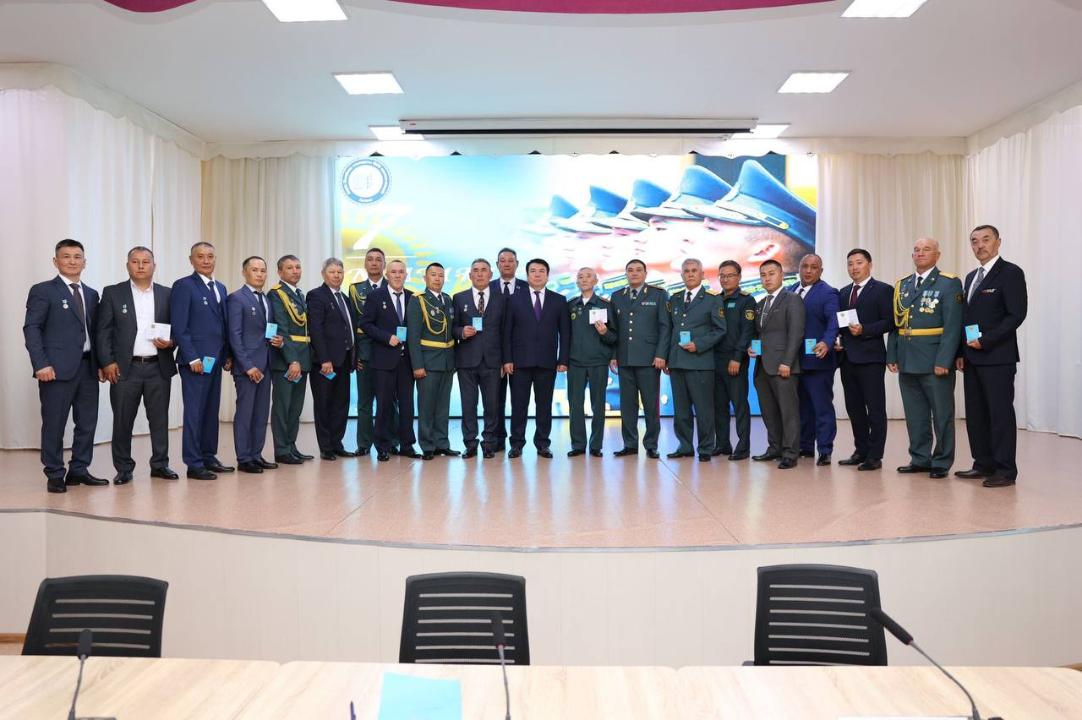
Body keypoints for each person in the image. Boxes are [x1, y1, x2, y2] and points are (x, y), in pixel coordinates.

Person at [23, 239, 107, 493]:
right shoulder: (43, 290)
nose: (72, 261)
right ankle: (55, 473)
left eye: (77, 256)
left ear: (85, 262)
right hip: (55, 370)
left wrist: (101, 363)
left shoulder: (91, 294)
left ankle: (79, 469)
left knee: (87, 423)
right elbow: (32, 328)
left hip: (88, 368)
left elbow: (95, 332)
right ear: (55, 261)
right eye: (66, 256)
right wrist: (41, 364)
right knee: (54, 423)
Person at [96, 246, 177, 484]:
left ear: (154, 265)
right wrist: (107, 361)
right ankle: (123, 468)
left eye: (145, 261)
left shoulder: (167, 294)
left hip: (158, 366)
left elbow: (179, 327)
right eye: (135, 261)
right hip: (124, 368)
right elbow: (103, 331)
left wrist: (172, 342)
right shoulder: (113, 293)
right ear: (127, 265)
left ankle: (160, 465)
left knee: (159, 420)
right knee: (122, 420)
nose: (141, 266)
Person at [956, 225, 1028, 488]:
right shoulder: (970, 277)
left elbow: (1016, 315)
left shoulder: (1010, 273)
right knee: (976, 414)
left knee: (999, 414)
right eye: (974, 241)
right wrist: (961, 351)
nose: (980, 245)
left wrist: (986, 341)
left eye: (986, 240)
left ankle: (1005, 470)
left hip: (997, 356)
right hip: (972, 358)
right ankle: (983, 463)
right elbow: (966, 318)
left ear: (998, 242)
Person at [886, 237, 964, 479]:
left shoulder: (948, 283)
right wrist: (892, 354)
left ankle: (941, 460)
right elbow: (896, 324)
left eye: (926, 249)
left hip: (934, 360)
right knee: (915, 415)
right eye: (916, 250)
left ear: (937, 255)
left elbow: (953, 326)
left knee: (942, 414)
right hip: (907, 358)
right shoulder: (902, 285)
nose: (920, 253)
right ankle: (920, 458)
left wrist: (944, 360)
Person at [171, 242, 234, 480]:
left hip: (216, 359)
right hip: (195, 361)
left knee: (210, 410)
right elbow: (180, 326)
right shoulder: (184, 286)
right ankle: (194, 463)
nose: (206, 261)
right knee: (195, 413)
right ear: (191, 260)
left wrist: (227, 355)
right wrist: (192, 357)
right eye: (200, 256)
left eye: (210, 256)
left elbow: (222, 325)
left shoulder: (221, 287)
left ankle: (209, 456)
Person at [502, 258, 570, 458]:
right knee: (518, 406)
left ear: (547, 275)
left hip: (547, 362)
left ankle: (542, 443)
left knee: (544, 406)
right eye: (533, 271)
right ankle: (516, 444)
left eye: (541, 271)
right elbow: (506, 332)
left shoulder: (559, 300)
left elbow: (565, 333)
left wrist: (563, 359)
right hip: (519, 363)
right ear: (527, 275)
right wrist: (507, 359)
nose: (537, 274)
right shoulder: (513, 299)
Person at [835, 249, 893, 471]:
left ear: (870, 264)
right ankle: (860, 450)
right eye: (850, 263)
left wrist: (865, 330)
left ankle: (875, 455)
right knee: (854, 408)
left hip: (871, 358)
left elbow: (890, 322)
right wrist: (838, 341)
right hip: (847, 358)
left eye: (859, 262)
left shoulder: (883, 290)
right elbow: (841, 324)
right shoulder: (843, 292)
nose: (854, 267)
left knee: (875, 409)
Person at [360, 259, 421, 461]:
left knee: (407, 405)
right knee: (384, 405)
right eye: (393, 272)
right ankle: (383, 446)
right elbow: (365, 324)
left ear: (406, 275)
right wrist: (386, 337)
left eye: (401, 272)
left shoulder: (413, 297)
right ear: (387, 275)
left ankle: (407, 445)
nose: (397, 275)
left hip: (407, 361)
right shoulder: (375, 296)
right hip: (383, 360)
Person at [609, 259, 671, 458]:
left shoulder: (658, 294)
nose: (634, 273)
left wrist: (661, 354)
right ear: (626, 274)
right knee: (627, 405)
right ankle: (630, 444)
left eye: (638, 270)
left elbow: (665, 327)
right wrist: (613, 356)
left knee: (650, 405)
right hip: (624, 358)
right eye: (630, 270)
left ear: (645, 274)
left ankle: (651, 444)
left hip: (649, 359)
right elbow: (614, 329)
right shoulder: (617, 296)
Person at [226, 256, 283, 474]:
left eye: (262, 270)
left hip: (266, 363)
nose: (259, 274)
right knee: (245, 413)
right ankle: (244, 458)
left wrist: (278, 340)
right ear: (244, 272)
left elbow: (267, 330)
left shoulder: (267, 299)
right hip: (248, 367)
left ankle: (256, 454)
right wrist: (247, 365)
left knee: (260, 413)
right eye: (254, 270)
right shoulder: (236, 298)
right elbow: (234, 335)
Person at [666, 258, 726, 461]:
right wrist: (667, 358)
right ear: (681, 275)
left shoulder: (712, 298)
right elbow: (670, 330)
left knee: (703, 409)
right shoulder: (674, 299)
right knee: (681, 410)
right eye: (686, 271)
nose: (690, 274)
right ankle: (684, 446)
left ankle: (706, 448)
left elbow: (720, 330)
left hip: (700, 362)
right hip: (677, 362)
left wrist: (699, 344)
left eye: (694, 270)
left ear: (702, 274)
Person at [750, 259, 804, 469]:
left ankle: (790, 453)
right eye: (763, 275)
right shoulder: (760, 304)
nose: (767, 278)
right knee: (769, 411)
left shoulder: (792, 299)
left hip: (783, 366)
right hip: (762, 366)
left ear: (781, 275)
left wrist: (787, 362)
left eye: (771, 273)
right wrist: (752, 347)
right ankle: (774, 448)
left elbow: (796, 334)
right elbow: (760, 334)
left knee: (788, 412)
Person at [453, 259, 507, 459]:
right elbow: (452, 327)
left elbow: (506, 332)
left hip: (493, 361)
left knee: (491, 405)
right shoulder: (459, 298)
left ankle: (489, 443)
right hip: (466, 360)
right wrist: (461, 331)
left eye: (484, 270)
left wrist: (505, 360)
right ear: (470, 275)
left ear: (491, 274)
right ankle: (470, 443)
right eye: (475, 270)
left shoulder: (502, 299)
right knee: (468, 405)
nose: (480, 274)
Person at [306, 258, 357, 461]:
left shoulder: (345, 298)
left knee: (341, 404)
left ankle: (337, 443)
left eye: (339, 272)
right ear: (323, 274)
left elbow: (350, 329)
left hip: (344, 361)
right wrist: (324, 358)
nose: (336, 275)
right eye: (332, 272)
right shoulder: (316, 296)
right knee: (324, 404)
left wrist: (354, 356)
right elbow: (316, 330)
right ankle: (326, 447)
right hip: (325, 363)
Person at [408, 262, 459, 460]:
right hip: (428, 362)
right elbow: (413, 336)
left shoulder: (447, 299)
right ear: (425, 278)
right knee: (426, 406)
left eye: (441, 275)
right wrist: (417, 365)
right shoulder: (418, 300)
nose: (437, 279)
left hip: (447, 362)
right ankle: (427, 445)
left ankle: (442, 443)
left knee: (443, 407)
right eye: (433, 275)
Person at [348, 247, 396, 456]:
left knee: (389, 401)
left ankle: (391, 441)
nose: (374, 263)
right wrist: (354, 355)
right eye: (370, 259)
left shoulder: (394, 286)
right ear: (365, 264)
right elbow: (351, 325)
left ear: (384, 265)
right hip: (365, 354)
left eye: (378, 259)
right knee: (365, 402)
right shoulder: (355, 289)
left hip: (388, 352)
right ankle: (364, 443)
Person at [792, 254, 839, 466]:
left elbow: (833, 322)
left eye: (814, 267)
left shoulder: (828, 292)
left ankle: (825, 449)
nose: (808, 270)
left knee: (822, 407)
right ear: (799, 268)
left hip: (818, 360)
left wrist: (827, 342)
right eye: (805, 266)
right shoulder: (790, 290)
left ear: (821, 271)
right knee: (802, 407)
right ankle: (805, 446)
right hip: (794, 362)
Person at [566, 267, 617, 457]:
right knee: (575, 406)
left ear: (595, 281)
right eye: (580, 277)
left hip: (598, 362)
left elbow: (614, 337)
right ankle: (578, 444)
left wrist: (605, 332)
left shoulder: (605, 305)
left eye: (588, 276)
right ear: (577, 282)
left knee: (598, 405)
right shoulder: (570, 305)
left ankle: (596, 445)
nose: (584, 279)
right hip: (575, 363)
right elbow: (564, 335)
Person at [268, 255, 313, 465]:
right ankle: (281, 449)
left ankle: (291, 445)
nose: (295, 271)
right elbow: (281, 329)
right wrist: (292, 360)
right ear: (280, 272)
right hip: (286, 359)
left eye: (298, 267)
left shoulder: (298, 294)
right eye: (290, 268)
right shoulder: (277, 294)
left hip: (302, 357)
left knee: (295, 407)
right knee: (282, 406)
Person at [712, 260, 756, 461]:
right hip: (715, 360)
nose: (725, 279)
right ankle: (722, 444)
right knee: (719, 405)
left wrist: (737, 357)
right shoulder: (715, 300)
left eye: (730, 275)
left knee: (739, 405)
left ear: (739, 277)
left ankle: (743, 446)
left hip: (735, 360)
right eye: (722, 275)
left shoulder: (746, 300)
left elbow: (747, 332)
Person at [490, 247, 529, 452]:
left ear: (517, 264)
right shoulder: (488, 288)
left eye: (510, 260)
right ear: (497, 264)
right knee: (496, 399)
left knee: (519, 401)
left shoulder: (527, 287)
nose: (506, 263)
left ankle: (517, 441)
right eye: (502, 260)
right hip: (494, 353)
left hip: (521, 354)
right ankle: (498, 439)